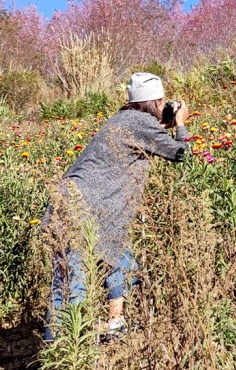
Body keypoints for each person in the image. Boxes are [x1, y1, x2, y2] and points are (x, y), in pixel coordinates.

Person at [43, 72, 190, 342]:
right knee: (72, 284)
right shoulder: (140, 123)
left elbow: (146, 138)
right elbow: (181, 153)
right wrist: (180, 124)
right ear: (157, 103)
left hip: (76, 203)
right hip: (84, 209)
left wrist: (164, 124)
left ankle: (114, 323)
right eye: (163, 101)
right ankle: (61, 347)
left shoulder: (123, 119)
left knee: (122, 261)